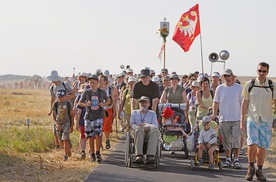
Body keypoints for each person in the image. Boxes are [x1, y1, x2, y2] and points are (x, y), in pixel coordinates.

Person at [240, 62, 276, 181]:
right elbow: (245, 103)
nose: (261, 73)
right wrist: (242, 120)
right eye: (259, 71)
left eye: (264, 71)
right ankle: (250, 168)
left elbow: (275, 103)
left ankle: (259, 170)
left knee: (262, 146)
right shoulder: (249, 84)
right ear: (256, 71)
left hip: (266, 119)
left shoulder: (272, 85)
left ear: (267, 72)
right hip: (253, 118)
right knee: (252, 143)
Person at [211, 68, 243, 169]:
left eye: (228, 76)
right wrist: (214, 113)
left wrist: (243, 116)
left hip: (236, 118)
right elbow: (215, 102)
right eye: (225, 76)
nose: (227, 78)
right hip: (223, 118)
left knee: (236, 140)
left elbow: (242, 103)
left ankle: (236, 159)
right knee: (225, 140)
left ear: (232, 76)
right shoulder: (220, 88)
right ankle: (228, 158)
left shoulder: (238, 88)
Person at [78, 74, 110, 162]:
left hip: (99, 115)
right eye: (90, 82)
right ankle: (92, 154)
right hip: (88, 116)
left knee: (98, 135)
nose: (92, 84)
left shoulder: (101, 92)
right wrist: (85, 104)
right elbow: (79, 103)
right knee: (90, 136)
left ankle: (98, 152)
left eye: (94, 82)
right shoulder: (86, 92)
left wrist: (103, 104)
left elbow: (108, 100)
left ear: (97, 83)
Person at [46, 70, 75, 149]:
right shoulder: (52, 88)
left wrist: (65, 98)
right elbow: (52, 99)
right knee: (55, 128)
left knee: (66, 128)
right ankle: (58, 145)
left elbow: (73, 94)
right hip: (57, 108)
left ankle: (66, 144)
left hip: (66, 108)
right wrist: (51, 110)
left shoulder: (65, 85)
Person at [130, 96, 160, 164]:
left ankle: (150, 156)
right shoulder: (134, 113)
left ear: (149, 104)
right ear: (139, 104)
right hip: (137, 132)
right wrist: (139, 126)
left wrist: (147, 125)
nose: (143, 104)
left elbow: (155, 125)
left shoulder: (152, 113)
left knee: (155, 129)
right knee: (138, 129)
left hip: (149, 131)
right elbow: (131, 124)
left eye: (145, 103)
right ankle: (139, 155)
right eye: (142, 102)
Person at [52, 89, 74, 161]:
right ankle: (68, 148)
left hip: (66, 122)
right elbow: (54, 116)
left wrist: (72, 125)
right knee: (61, 140)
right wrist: (57, 124)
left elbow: (72, 115)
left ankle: (65, 155)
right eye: (59, 97)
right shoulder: (55, 104)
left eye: (61, 97)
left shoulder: (68, 104)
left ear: (65, 96)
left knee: (65, 138)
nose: (60, 98)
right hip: (59, 123)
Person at [99, 75, 115, 149]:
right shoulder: (97, 89)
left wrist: (114, 110)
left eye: (100, 81)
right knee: (100, 126)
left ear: (105, 81)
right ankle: (100, 142)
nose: (99, 82)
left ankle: (107, 139)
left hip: (108, 109)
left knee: (107, 126)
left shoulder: (109, 89)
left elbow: (112, 100)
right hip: (99, 110)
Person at [75, 84, 89, 160]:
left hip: (92, 121)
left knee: (90, 137)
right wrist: (77, 123)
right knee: (83, 137)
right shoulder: (81, 99)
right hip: (83, 121)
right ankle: (82, 151)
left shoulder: (94, 98)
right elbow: (79, 112)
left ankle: (90, 151)